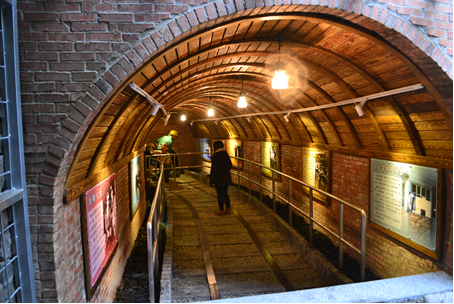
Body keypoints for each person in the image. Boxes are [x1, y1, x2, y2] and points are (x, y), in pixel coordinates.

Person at [210, 141, 233, 216]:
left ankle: (221, 211)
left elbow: (214, 169)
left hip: (218, 178)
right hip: (226, 177)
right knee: (225, 193)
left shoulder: (216, 156)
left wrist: (212, 180)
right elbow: (230, 165)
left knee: (220, 195)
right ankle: (228, 209)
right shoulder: (225, 154)